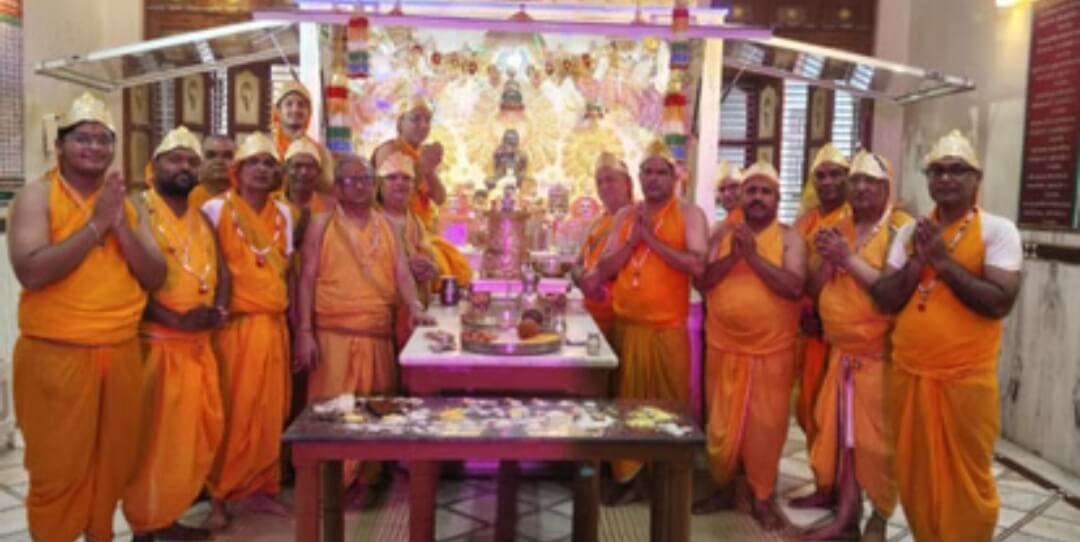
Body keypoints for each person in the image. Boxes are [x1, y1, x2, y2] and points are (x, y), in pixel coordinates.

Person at [7, 92, 165, 541]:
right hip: (56, 356)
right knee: (56, 469)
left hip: (120, 352)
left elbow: (154, 275)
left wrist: (118, 224)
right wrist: (96, 224)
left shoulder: (129, 205)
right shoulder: (36, 196)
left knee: (113, 465)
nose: (94, 147)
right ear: (60, 145)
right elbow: (32, 271)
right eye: (82, 138)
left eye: (103, 139)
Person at [869, 130, 1022, 541]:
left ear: (977, 178)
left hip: (965, 381)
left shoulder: (998, 231)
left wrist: (942, 261)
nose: (946, 178)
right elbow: (883, 298)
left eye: (957, 170)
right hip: (910, 374)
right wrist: (918, 263)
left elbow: (999, 301)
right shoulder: (909, 235)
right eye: (937, 171)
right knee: (915, 472)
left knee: (967, 477)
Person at [294, 154, 433, 507]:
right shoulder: (321, 224)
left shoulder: (387, 225)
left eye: (366, 179)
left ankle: (365, 483)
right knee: (333, 411)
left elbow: (402, 272)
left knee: (375, 410)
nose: (360, 186)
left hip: (376, 331)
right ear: (337, 187)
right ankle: (330, 486)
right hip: (332, 334)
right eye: (351, 180)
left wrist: (415, 306)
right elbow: (306, 278)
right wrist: (304, 331)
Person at [124, 127, 229, 542]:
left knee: (191, 442)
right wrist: (174, 320)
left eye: (190, 161)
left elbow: (223, 271)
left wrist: (219, 311)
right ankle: (143, 528)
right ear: (155, 167)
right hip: (156, 348)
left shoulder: (201, 218)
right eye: (174, 160)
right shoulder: (138, 213)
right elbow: (127, 283)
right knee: (152, 445)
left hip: (198, 346)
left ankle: (167, 518)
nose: (184, 167)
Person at [800, 150, 911, 541]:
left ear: (887, 187)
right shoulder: (839, 227)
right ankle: (847, 515)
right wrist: (828, 262)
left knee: (878, 446)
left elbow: (891, 294)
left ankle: (878, 519)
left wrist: (846, 259)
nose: (861, 188)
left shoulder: (901, 230)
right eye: (856, 181)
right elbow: (815, 288)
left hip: (881, 359)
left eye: (871, 182)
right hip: (842, 355)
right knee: (845, 442)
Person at [589, 140, 708, 504]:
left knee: (668, 407)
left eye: (662, 172)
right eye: (648, 172)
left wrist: (651, 240)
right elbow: (605, 267)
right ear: (638, 178)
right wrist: (632, 243)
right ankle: (631, 478)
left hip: (667, 330)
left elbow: (697, 264)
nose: (654, 179)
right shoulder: (626, 217)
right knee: (628, 407)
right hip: (628, 329)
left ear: (675, 177)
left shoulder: (689, 215)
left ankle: (667, 481)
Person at [691, 160, 805, 531]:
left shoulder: (789, 238)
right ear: (740, 195)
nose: (757, 197)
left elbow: (794, 286)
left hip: (771, 351)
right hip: (723, 347)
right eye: (751, 190)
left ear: (777, 198)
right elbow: (703, 281)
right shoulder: (721, 235)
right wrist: (734, 256)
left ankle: (762, 496)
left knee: (765, 428)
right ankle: (724, 488)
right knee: (721, 428)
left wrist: (753, 257)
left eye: (765, 191)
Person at [201, 132, 294, 527]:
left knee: (271, 412)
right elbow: (207, 268)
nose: (261, 169)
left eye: (269, 163)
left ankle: (262, 489)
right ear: (237, 171)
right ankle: (219, 498)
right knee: (231, 414)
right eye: (253, 162)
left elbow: (287, 272)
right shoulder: (215, 209)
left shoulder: (284, 214)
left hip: (273, 327)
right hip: (233, 330)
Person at [373, 96, 472, 290]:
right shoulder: (389, 149)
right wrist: (423, 165)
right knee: (437, 264)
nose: (423, 125)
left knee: (454, 264)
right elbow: (390, 194)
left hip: (422, 231)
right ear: (400, 122)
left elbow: (440, 197)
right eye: (416, 119)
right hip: (395, 229)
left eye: (427, 120)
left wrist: (429, 167)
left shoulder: (421, 152)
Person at [792, 143, 851, 456]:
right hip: (810, 329)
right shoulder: (804, 223)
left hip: (844, 331)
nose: (827, 182)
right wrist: (804, 310)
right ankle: (823, 471)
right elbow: (794, 270)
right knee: (808, 405)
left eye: (836, 174)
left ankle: (838, 475)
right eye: (821, 175)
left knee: (839, 411)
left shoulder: (856, 219)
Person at [376, 150, 441, 348]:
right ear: (379, 185)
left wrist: (430, 268)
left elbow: (433, 262)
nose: (400, 183)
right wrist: (404, 267)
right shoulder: (371, 219)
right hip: (382, 316)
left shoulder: (415, 221)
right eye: (391, 178)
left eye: (406, 178)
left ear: (413, 186)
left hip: (417, 311)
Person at [572, 151, 634, 343]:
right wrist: (583, 280)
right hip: (590, 314)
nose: (604, 186)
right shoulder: (597, 223)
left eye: (611, 180)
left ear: (627, 183)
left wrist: (599, 279)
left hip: (621, 318)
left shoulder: (636, 218)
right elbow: (577, 264)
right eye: (600, 182)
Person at [271, 80, 334, 186]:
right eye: (289, 104)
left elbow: (327, 186)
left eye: (301, 105)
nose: (295, 109)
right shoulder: (268, 147)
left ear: (309, 112)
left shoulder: (321, 152)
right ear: (278, 110)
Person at [188, 134, 235, 210]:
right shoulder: (187, 196)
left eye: (227, 156)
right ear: (200, 161)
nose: (219, 161)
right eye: (211, 155)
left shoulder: (247, 196)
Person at [715, 160, 744, 226]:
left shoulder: (757, 223)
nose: (727, 194)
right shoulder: (718, 228)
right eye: (722, 189)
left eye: (733, 187)